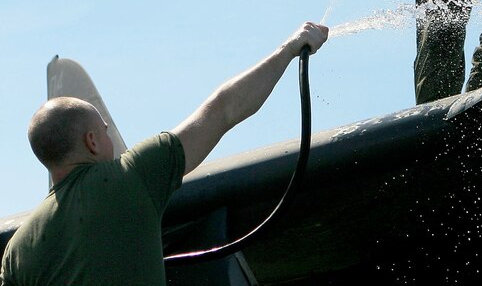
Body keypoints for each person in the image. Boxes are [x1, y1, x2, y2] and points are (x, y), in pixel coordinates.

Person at [0, 22, 330, 286]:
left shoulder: (16, 252)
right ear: (92, 142)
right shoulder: (131, 178)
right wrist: (289, 49)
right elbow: (223, 109)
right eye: (104, 131)